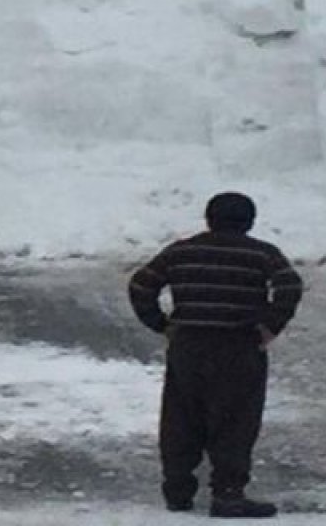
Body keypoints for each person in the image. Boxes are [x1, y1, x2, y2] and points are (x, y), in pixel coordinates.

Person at [128, 192, 304, 518]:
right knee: (235, 420)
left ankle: (177, 490)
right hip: (239, 346)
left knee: (181, 417)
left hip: (188, 346)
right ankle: (228, 493)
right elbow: (290, 286)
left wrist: (162, 324)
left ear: (209, 218)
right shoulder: (262, 254)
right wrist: (269, 327)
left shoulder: (182, 251)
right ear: (250, 221)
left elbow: (141, 284)